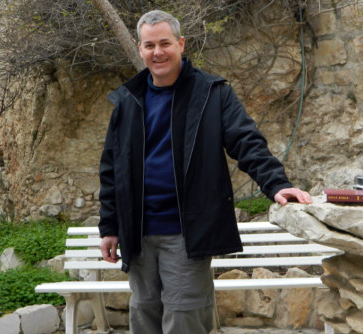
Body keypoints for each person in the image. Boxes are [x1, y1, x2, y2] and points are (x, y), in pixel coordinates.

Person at [97, 9, 312, 334]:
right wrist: (109, 227)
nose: (158, 52)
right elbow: (112, 168)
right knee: (143, 317)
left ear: (181, 44)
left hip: (186, 232)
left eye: (165, 43)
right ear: (140, 49)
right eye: (150, 45)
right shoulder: (129, 101)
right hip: (138, 233)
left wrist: (276, 184)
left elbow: (246, 140)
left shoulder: (212, 93)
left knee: (185, 319)